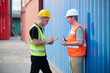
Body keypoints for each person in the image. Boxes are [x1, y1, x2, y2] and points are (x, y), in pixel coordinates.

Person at [61, 9, 86, 73]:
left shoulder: (78, 28)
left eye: (68, 18)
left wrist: (67, 43)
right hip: (72, 55)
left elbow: (80, 42)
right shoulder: (73, 27)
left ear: (73, 18)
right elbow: (73, 39)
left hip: (77, 56)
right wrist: (66, 40)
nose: (67, 20)